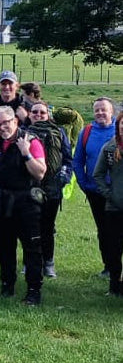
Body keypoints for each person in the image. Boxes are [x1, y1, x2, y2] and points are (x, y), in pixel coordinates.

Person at [0, 106, 47, 305]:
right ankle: (7, 284)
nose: (2, 127)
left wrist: (26, 153)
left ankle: (33, 291)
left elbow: (40, 173)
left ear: (15, 121)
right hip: (3, 203)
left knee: (32, 249)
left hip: (27, 204)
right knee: (4, 247)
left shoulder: (31, 141)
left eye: (6, 122)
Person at [26, 102, 72, 278]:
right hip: (30, 185)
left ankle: (48, 263)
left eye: (42, 112)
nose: (38, 115)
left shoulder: (59, 132)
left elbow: (67, 158)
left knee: (47, 226)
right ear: (29, 114)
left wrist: (64, 177)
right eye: (35, 112)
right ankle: (30, 262)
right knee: (30, 226)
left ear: (48, 115)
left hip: (52, 185)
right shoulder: (23, 132)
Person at [73, 97, 117, 278]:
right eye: (97, 110)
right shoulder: (86, 132)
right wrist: (84, 184)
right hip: (95, 192)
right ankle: (109, 266)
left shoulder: (119, 130)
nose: (100, 113)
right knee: (104, 230)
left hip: (118, 193)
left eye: (103, 109)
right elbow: (77, 161)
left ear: (111, 111)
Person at [93, 113, 123, 296]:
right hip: (114, 208)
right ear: (118, 126)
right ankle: (114, 285)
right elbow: (98, 174)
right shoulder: (110, 148)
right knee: (114, 249)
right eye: (122, 124)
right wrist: (109, 195)